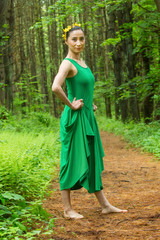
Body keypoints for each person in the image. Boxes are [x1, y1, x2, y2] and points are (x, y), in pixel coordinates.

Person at [52, 23, 127, 219]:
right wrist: (71, 105)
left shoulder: (83, 63)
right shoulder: (67, 63)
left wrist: (88, 105)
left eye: (82, 38)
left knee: (92, 159)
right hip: (75, 119)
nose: (78, 42)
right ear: (66, 41)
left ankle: (105, 205)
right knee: (70, 160)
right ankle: (67, 209)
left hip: (87, 117)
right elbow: (55, 87)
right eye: (74, 39)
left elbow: (84, 90)